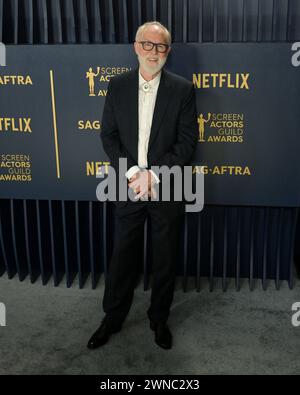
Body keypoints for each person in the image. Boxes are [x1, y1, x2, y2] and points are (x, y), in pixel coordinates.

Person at [87, 21, 198, 350]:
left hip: (168, 184)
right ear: (136, 47)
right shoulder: (117, 85)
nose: (154, 52)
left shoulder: (182, 89)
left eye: (161, 47)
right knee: (123, 254)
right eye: (147, 45)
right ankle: (113, 316)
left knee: (164, 256)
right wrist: (134, 172)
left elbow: (187, 143)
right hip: (127, 182)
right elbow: (108, 135)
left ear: (168, 52)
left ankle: (159, 318)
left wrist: (155, 175)